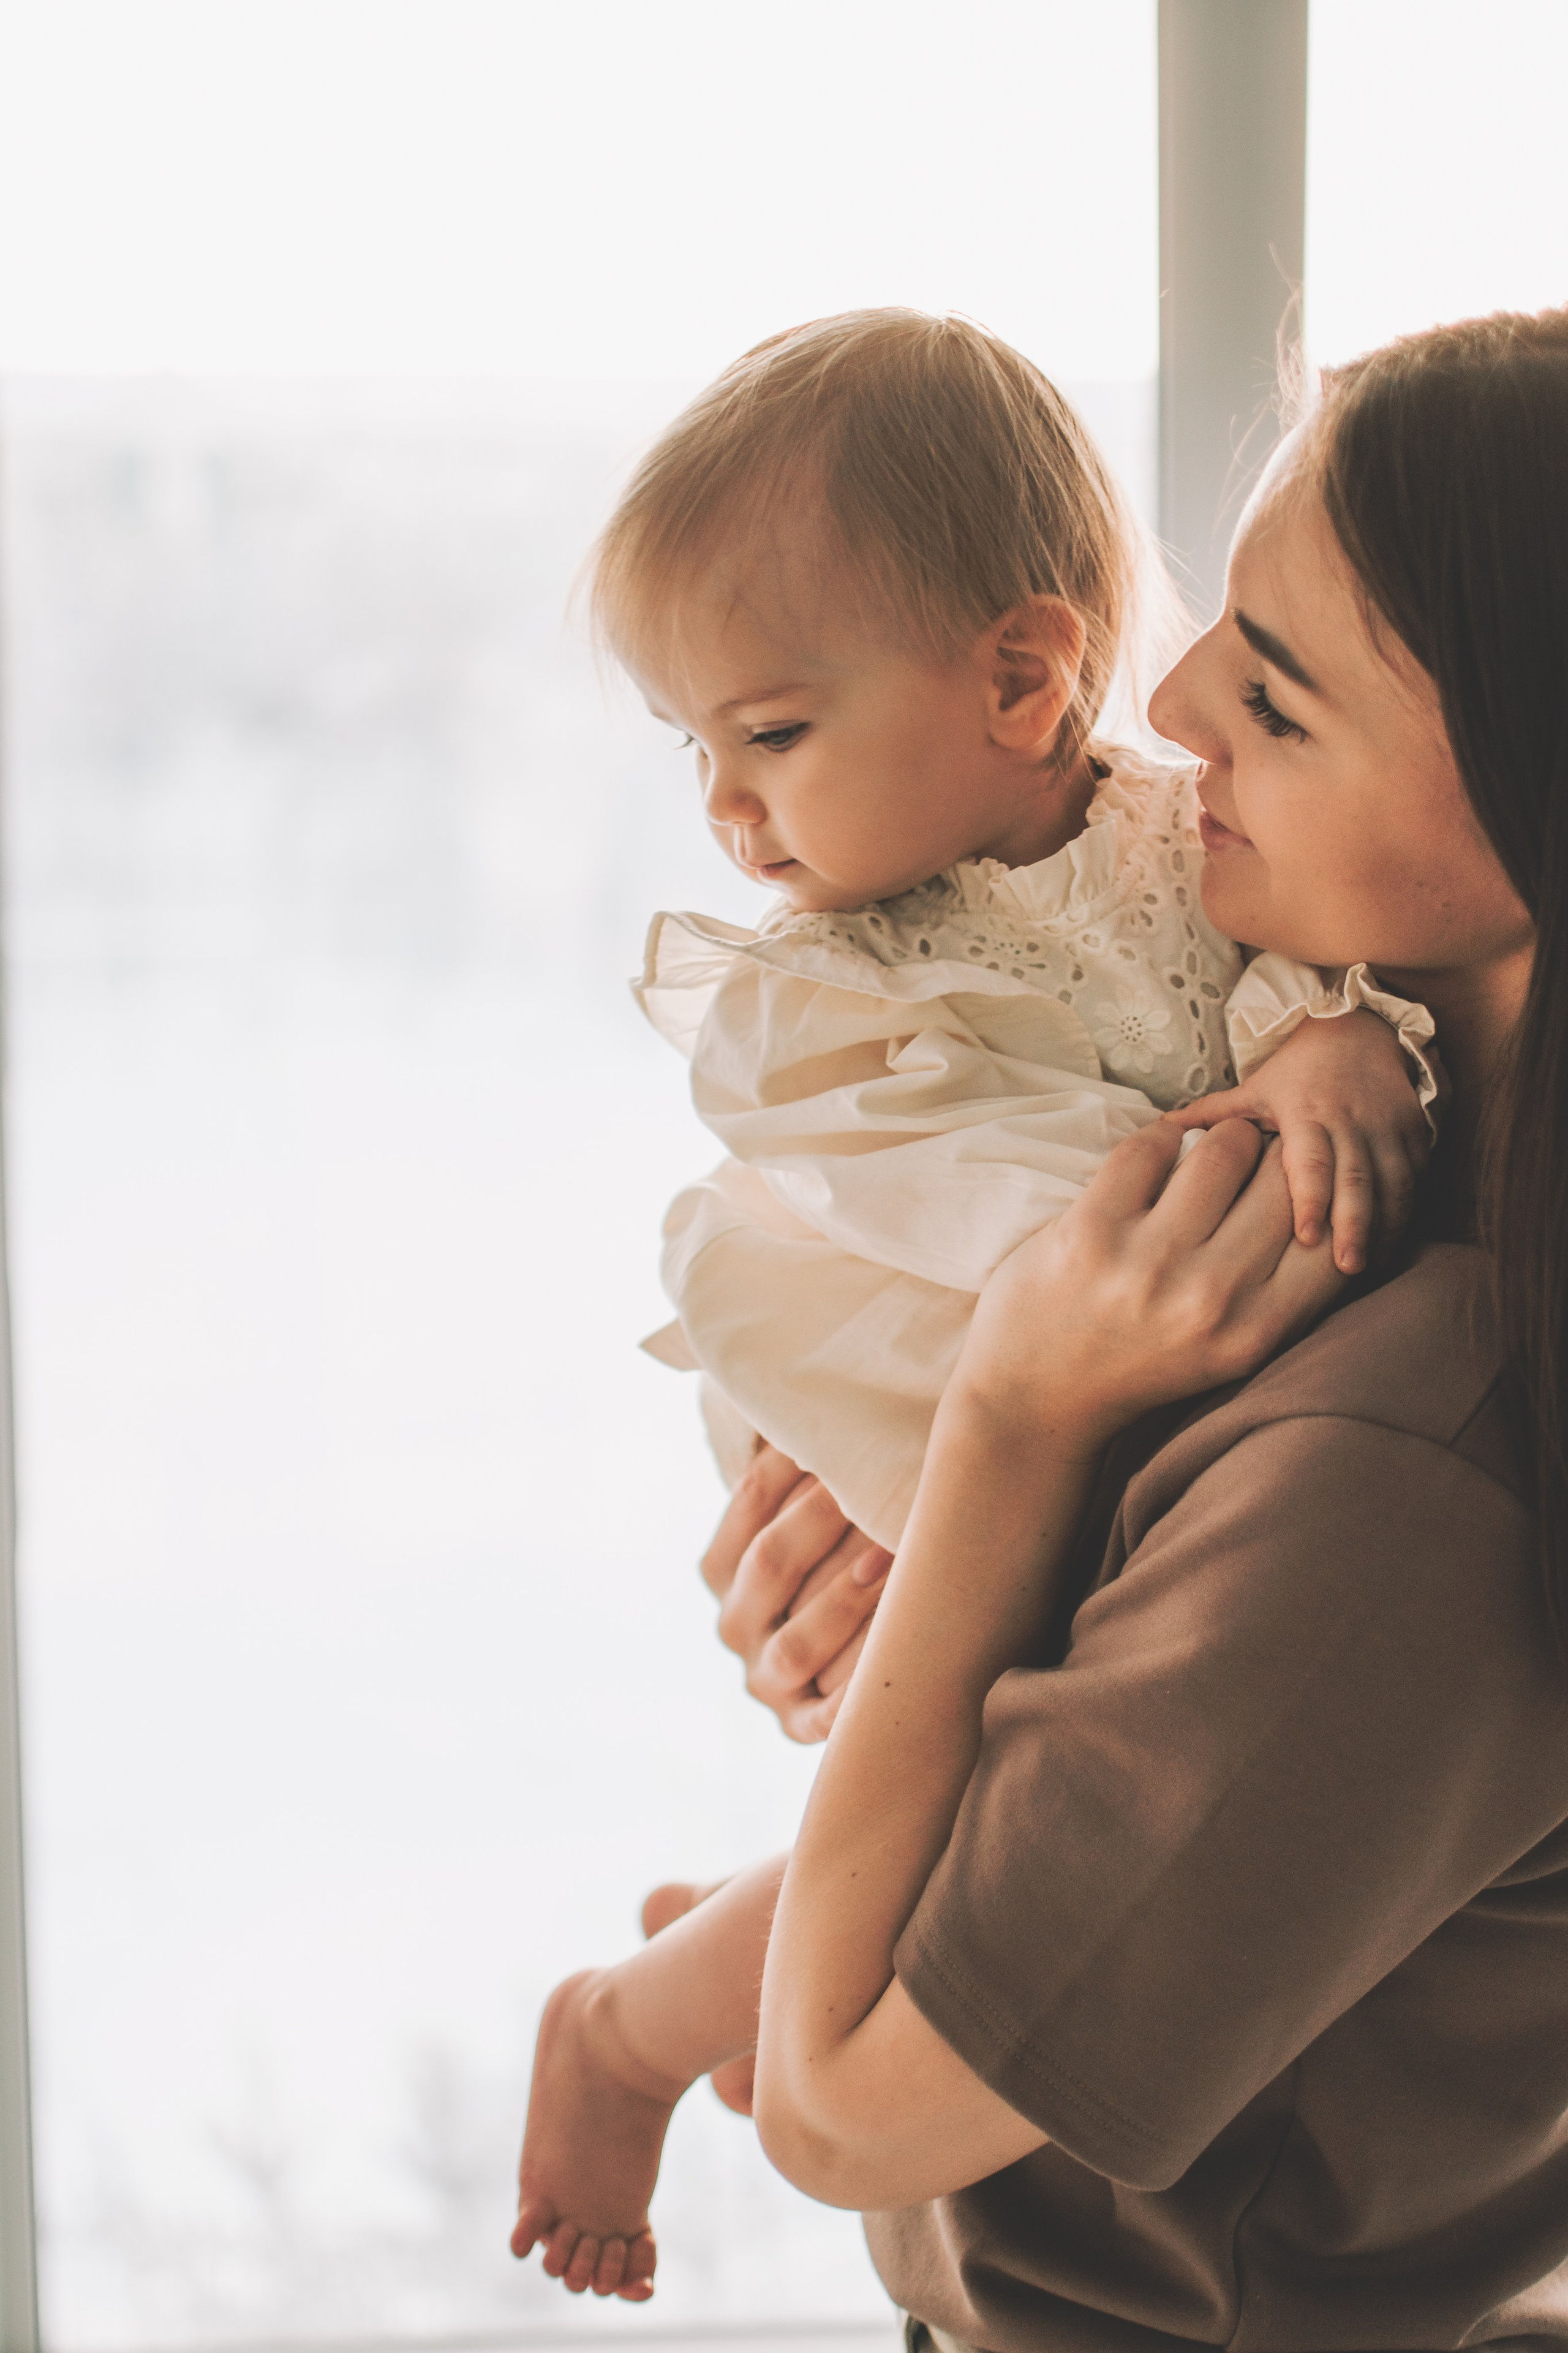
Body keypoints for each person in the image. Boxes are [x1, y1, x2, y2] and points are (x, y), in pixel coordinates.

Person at [510, 311, 1438, 2303]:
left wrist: (1340, 1039)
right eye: (697, 749)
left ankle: (681, 1989)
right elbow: (1063, 1249)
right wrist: (1283, 1099)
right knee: (962, 1829)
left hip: (1105, 1383)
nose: (729, 812)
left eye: (771, 736)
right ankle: (639, 2021)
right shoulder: (819, 993)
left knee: (992, 1837)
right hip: (932, 1376)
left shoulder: (1178, 832)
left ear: (1023, 678)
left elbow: (1297, 992)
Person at [731, 306, 1566, 2352]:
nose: (1172, 705)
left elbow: (838, 2112)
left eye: (1274, 694)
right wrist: (932, 1557)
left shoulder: (1410, 1463)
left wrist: (1010, 1420)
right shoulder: (1401, 1228)